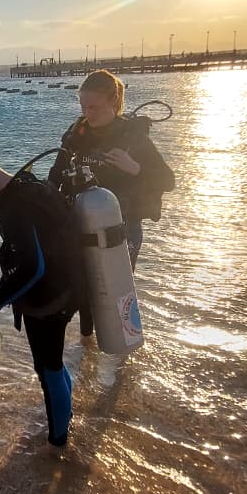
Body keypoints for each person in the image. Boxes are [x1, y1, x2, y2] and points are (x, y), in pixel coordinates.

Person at [0, 140, 85, 457]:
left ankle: (57, 447)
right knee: (53, 365)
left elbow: (33, 267)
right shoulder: (28, 183)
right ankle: (63, 423)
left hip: (49, 299)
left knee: (48, 370)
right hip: (67, 289)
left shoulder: (13, 205)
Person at [47, 68, 175, 338]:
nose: (87, 113)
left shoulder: (133, 138)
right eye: (83, 106)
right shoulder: (76, 135)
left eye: (93, 107)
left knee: (119, 294)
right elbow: (54, 178)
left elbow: (168, 180)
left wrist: (135, 168)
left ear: (113, 102)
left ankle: (123, 361)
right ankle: (88, 352)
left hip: (123, 229)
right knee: (84, 293)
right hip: (81, 227)